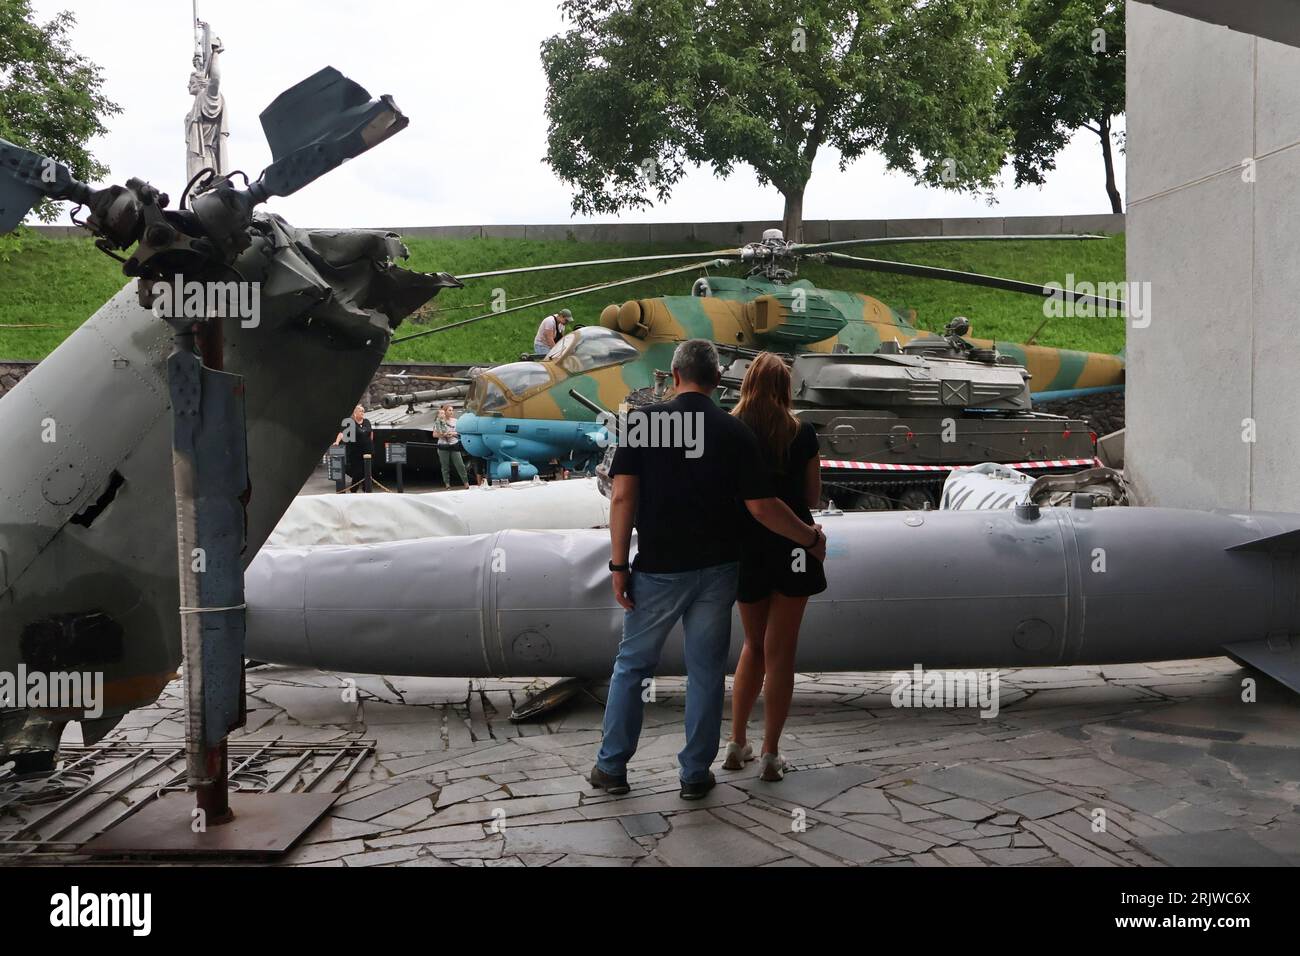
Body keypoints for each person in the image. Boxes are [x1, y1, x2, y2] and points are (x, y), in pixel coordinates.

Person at [591, 339, 827, 801]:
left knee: (633, 666)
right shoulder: (733, 431)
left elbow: (622, 497)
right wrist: (810, 539)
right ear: (718, 381)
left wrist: (619, 563)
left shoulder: (642, 422)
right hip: (718, 570)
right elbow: (762, 507)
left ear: (675, 376)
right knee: (704, 671)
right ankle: (695, 774)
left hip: (658, 566)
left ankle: (612, 768)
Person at [722, 353, 828, 782]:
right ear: (787, 389)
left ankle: (735, 742)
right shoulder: (802, 432)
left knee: (752, 645)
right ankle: (770, 753)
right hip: (794, 546)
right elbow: (813, 497)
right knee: (781, 652)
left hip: (747, 547)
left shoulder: (730, 430)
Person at [334, 405, 374, 493]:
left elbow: (371, 433)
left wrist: (370, 443)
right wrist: (337, 442)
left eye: (363, 411)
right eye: (360, 411)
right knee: (358, 472)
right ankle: (353, 489)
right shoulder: (349, 422)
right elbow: (342, 433)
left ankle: (366, 490)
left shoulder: (367, 421)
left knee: (367, 472)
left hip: (367, 451)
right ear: (355, 413)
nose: (362, 413)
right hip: (355, 451)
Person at [432, 404, 470, 488]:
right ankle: (447, 483)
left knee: (460, 465)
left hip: (454, 445)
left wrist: (452, 433)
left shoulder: (455, 421)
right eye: (449, 410)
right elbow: (434, 434)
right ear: (445, 412)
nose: (451, 412)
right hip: (443, 445)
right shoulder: (439, 421)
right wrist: (443, 435)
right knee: (445, 466)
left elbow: (460, 432)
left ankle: (466, 482)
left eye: (452, 410)